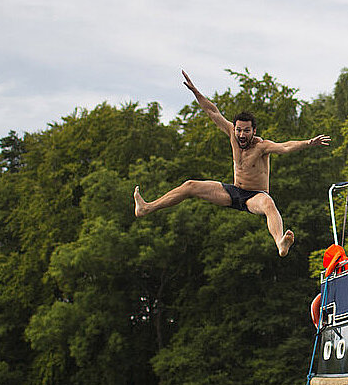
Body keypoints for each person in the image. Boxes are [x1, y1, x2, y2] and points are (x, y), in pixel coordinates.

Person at [133, 70, 331, 256]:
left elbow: (285, 147)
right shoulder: (231, 133)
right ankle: (146, 208)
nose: (241, 135)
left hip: (254, 196)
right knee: (190, 186)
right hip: (233, 192)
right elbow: (212, 111)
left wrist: (308, 143)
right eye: (238, 130)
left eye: (246, 131)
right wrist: (195, 91)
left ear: (253, 131)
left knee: (269, 203)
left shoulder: (262, 147)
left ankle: (280, 242)